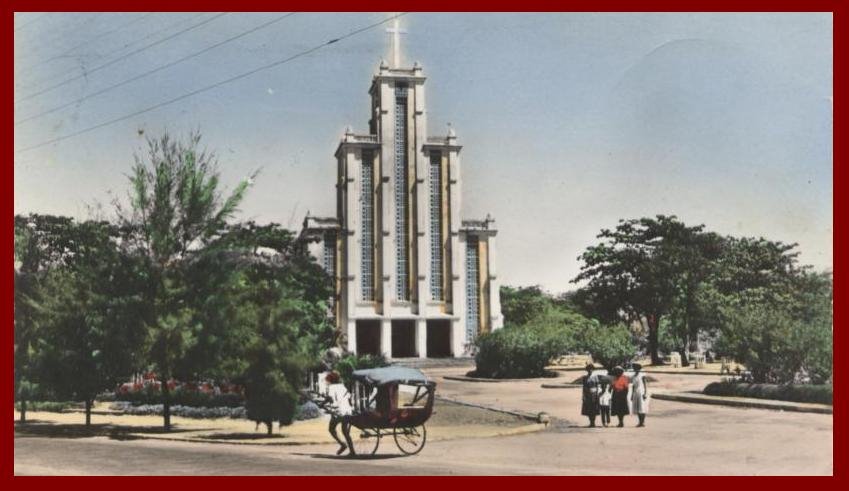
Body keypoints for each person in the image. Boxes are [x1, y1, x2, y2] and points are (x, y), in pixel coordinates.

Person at [580, 363, 600, 427]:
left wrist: (597, 394)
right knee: (588, 409)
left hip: (594, 394)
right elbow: (584, 387)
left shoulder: (595, 377)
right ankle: (591, 422)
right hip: (588, 394)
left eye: (591, 369)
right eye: (589, 369)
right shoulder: (585, 378)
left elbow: (597, 386)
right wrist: (583, 395)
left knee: (594, 408)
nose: (590, 370)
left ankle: (593, 422)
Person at [630, 363, 650, 427]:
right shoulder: (633, 376)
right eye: (634, 368)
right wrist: (632, 395)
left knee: (642, 407)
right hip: (636, 392)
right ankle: (640, 422)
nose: (635, 369)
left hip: (641, 391)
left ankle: (643, 421)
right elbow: (633, 386)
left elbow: (645, 385)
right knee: (638, 407)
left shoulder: (642, 375)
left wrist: (645, 393)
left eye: (636, 368)